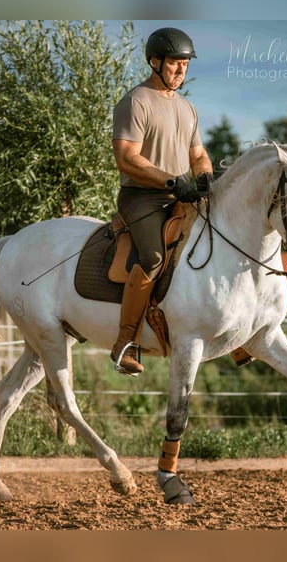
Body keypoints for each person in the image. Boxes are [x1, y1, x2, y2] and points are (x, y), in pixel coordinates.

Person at [110, 26, 213, 376]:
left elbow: (198, 154)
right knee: (154, 257)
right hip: (142, 198)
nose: (181, 70)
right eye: (174, 64)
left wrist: (203, 178)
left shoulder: (187, 108)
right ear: (154, 62)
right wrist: (172, 181)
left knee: (215, 241)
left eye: (185, 64)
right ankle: (126, 342)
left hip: (181, 195)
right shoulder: (136, 101)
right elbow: (127, 159)